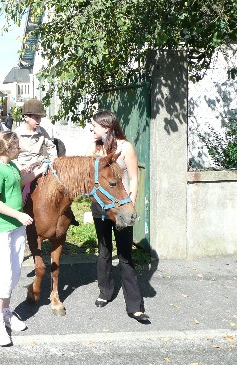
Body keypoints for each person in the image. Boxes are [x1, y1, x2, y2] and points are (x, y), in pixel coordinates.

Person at [86, 109, 149, 324]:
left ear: (106, 127)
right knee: (104, 251)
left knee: (125, 254)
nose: (91, 129)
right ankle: (105, 292)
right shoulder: (95, 148)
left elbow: (134, 178)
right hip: (100, 206)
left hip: (121, 207)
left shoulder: (125, 147)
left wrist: (130, 204)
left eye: (94, 126)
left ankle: (135, 306)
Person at [0, 131, 42, 346]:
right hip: (1, 228)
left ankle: (6, 311)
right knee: (4, 274)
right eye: (17, 146)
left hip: (16, 227)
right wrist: (18, 215)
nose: (20, 149)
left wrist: (36, 171)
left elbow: (19, 181)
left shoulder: (12, 166)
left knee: (14, 272)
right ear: (8, 149)